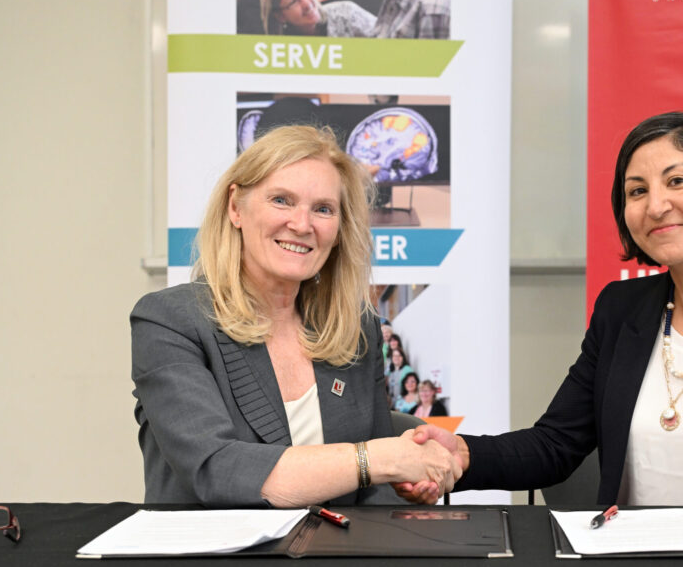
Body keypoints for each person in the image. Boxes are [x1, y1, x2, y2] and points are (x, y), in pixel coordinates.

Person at [401, 111, 683, 507]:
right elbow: (556, 443)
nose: (656, 205)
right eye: (636, 192)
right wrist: (463, 454)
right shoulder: (622, 310)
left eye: (677, 181)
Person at [130, 125, 458, 507]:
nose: (302, 225)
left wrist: (410, 482)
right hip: (215, 561)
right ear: (235, 207)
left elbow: (374, 492)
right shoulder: (170, 321)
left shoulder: (356, 329)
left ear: (338, 230)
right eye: (282, 200)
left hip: (333, 558)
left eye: (323, 209)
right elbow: (217, 470)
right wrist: (380, 460)